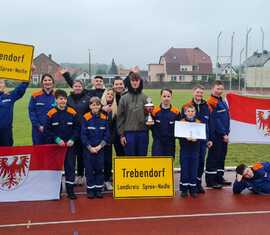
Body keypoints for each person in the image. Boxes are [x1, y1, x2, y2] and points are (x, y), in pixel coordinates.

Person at [45, 89, 80, 200]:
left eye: (64, 99)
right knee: (56, 168)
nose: (63, 101)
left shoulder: (72, 112)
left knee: (70, 167)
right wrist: (56, 139)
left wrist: (73, 139)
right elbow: (47, 130)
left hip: (69, 146)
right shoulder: (51, 113)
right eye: (60, 99)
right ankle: (57, 191)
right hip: (56, 147)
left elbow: (77, 128)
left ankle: (70, 190)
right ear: (56, 100)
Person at [181, 85, 213, 193]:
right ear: (193, 92)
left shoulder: (207, 106)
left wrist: (209, 139)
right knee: (190, 163)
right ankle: (187, 185)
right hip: (189, 142)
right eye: (197, 92)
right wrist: (186, 137)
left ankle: (197, 183)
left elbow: (209, 124)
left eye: (201, 93)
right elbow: (182, 123)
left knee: (200, 163)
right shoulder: (186, 106)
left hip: (203, 141)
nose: (199, 94)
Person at [81, 97, 110, 199]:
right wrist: (90, 147)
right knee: (89, 170)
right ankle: (90, 190)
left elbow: (107, 135)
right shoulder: (85, 117)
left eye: (97, 104)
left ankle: (98, 189)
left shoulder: (104, 118)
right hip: (88, 150)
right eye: (93, 105)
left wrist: (99, 146)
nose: (95, 106)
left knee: (99, 169)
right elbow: (83, 135)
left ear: (100, 106)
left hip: (100, 149)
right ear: (90, 106)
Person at [205, 80, 231, 189]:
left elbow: (225, 118)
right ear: (212, 89)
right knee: (213, 157)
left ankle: (219, 177)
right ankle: (211, 180)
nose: (219, 91)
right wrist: (223, 133)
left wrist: (226, 132)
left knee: (221, 156)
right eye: (217, 89)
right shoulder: (211, 102)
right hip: (216, 135)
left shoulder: (222, 101)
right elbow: (215, 120)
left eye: (221, 89)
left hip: (224, 134)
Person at [117, 72, 148, 156]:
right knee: (130, 158)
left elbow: (148, 115)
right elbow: (120, 118)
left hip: (142, 132)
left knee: (142, 158)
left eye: (137, 80)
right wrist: (122, 135)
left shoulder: (145, 97)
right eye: (133, 80)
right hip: (129, 133)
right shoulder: (124, 98)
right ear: (130, 82)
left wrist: (149, 123)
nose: (135, 82)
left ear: (140, 82)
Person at [66, 79, 90, 186]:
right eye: (75, 86)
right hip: (70, 131)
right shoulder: (68, 99)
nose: (77, 88)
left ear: (83, 87)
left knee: (81, 155)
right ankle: (71, 176)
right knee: (71, 155)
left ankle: (80, 175)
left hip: (83, 131)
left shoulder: (87, 99)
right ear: (72, 87)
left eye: (79, 86)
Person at [179, 105, 201, 198]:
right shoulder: (182, 122)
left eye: (192, 111)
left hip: (195, 149)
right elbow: (177, 135)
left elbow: (201, 135)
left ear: (195, 112)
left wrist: (197, 138)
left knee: (193, 169)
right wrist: (185, 137)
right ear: (185, 112)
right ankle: (184, 189)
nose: (190, 113)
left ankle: (193, 189)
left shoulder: (198, 122)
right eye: (188, 111)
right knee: (185, 169)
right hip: (185, 149)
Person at [151, 88, 180, 157]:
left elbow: (179, 129)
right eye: (164, 96)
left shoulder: (176, 112)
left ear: (171, 97)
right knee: (157, 163)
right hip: (158, 142)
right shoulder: (154, 111)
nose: (166, 98)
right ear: (161, 97)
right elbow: (150, 126)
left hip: (170, 143)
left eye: (168, 96)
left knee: (169, 163)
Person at [0, 79, 29, 146]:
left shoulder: (9, 96)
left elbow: (20, 90)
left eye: (1, 83)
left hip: (6, 133)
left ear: (4, 85)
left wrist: (29, 73)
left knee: (7, 153)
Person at [28, 73, 55, 145]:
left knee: (52, 153)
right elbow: (32, 112)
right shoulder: (35, 95)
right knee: (38, 152)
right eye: (45, 80)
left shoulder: (57, 96)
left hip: (53, 131)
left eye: (49, 80)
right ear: (42, 83)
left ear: (53, 82)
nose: (47, 82)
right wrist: (38, 126)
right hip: (38, 130)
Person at [101, 88, 117, 190]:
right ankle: (99, 180)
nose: (110, 95)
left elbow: (115, 126)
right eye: (108, 93)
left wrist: (110, 139)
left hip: (109, 140)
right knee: (98, 161)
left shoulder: (115, 109)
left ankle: (107, 180)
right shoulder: (99, 106)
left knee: (107, 161)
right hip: (98, 139)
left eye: (112, 94)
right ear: (104, 95)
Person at [111, 76, 126, 156]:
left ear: (124, 85)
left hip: (127, 131)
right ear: (113, 86)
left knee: (128, 154)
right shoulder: (109, 97)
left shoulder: (128, 95)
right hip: (115, 132)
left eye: (121, 84)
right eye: (116, 84)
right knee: (120, 154)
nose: (119, 86)